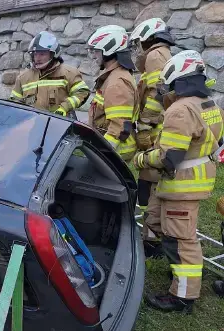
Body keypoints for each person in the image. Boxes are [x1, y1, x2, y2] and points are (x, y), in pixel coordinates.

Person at [133, 50, 224, 313]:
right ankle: (182, 276)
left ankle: (182, 296)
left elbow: (169, 158)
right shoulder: (210, 105)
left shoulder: (180, 110)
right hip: (193, 182)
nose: (164, 89)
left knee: (182, 241)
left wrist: (142, 159)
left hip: (180, 186)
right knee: (158, 222)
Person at [130, 18, 175, 257]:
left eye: (140, 41)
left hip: (157, 128)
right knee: (150, 182)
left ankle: (151, 238)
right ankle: (152, 233)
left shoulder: (155, 55)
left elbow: (157, 93)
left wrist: (146, 124)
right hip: (161, 127)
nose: (139, 46)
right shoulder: (164, 53)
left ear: (149, 36)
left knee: (148, 183)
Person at [86, 25, 138, 162]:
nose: (94, 56)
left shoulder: (117, 83)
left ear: (108, 50)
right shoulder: (114, 76)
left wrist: (102, 153)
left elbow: (119, 126)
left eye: (96, 51)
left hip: (116, 154)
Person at [10, 31, 90, 117]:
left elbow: (82, 92)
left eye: (42, 54)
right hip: (32, 126)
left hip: (61, 125)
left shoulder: (68, 73)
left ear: (53, 54)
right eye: (35, 54)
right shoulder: (23, 78)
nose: (37, 58)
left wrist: (64, 107)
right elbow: (14, 103)